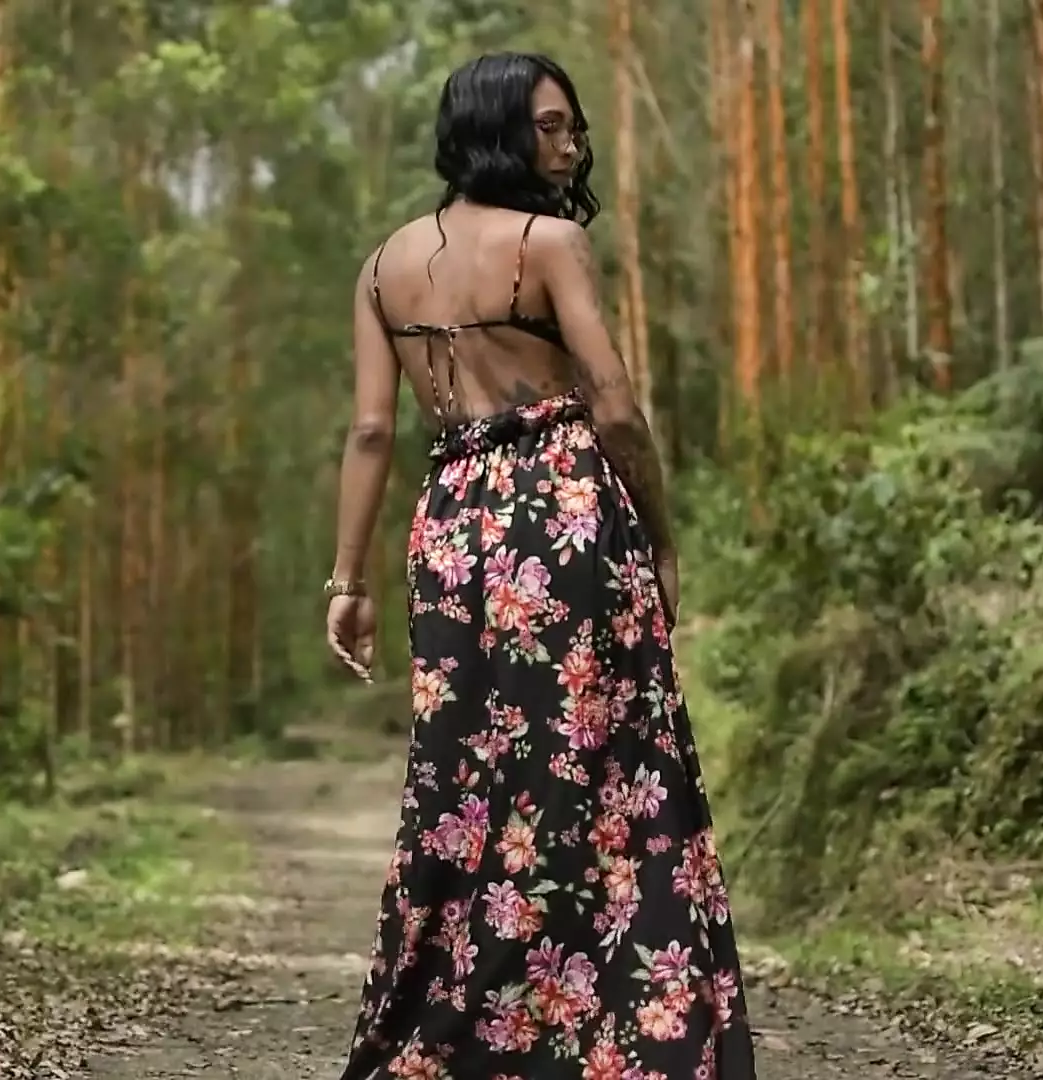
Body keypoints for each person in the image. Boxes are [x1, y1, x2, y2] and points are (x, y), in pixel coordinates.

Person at [323, 52, 758, 1079]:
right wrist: (661, 534)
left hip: (453, 528)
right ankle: (628, 1035)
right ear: (497, 134)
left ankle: (458, 1032)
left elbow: (373, 432)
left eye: (573, 126)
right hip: (564, 514)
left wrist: (348, 581)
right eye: (551, 127)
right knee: (611, 771)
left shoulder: (384, 265)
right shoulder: (551, 242)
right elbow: (614, 404)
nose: (571, 145)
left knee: (467, 784)